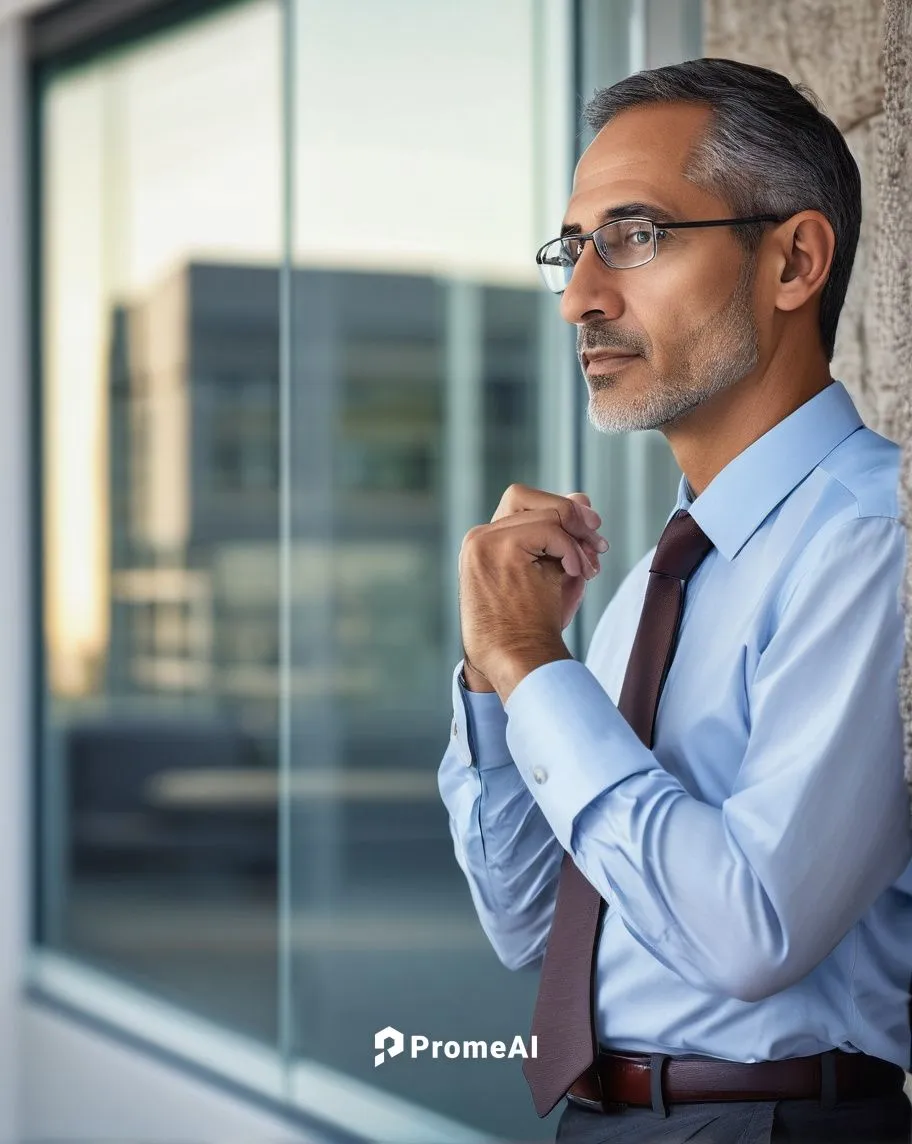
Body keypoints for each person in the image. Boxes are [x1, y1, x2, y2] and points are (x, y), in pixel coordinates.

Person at [437, 57, 912, 1144]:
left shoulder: (870, 538)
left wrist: (536, 669)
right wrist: (494, 671)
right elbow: (528, 922)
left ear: (794, 260)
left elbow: (753, 930)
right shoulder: (657, 577)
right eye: (574, 247)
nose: (580, 296)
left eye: (637, 234)